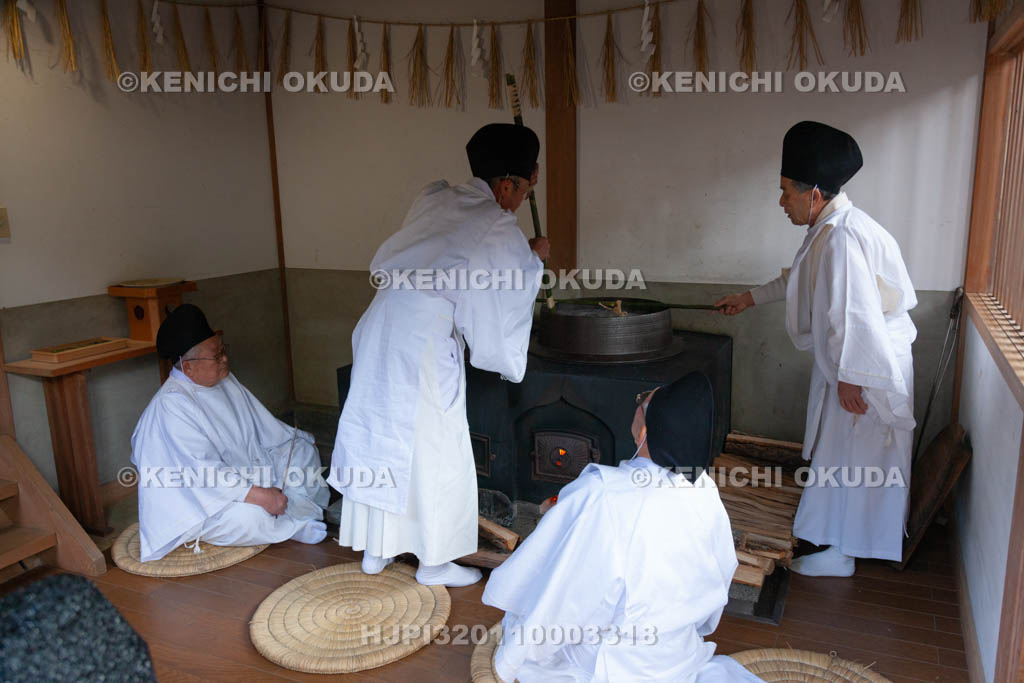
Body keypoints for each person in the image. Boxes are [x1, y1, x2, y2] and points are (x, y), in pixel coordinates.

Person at [331, 123, 549, 588]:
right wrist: (534, 260)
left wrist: (522, 254)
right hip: (423, 341)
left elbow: (451, 253)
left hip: (380, 323)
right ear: (507, 184)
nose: (520, 199)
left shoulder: (435, 198)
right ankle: (433, 563)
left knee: (380, 432)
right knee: (434, 447)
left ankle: (376, 549)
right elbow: (497, 289)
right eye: (526, 186)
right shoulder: (498, 225)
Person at [716, 121, 917, 576]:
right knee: (842, 454)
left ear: (815, 193)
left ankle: (844, 552)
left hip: (868, 367)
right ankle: (835, 542)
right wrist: (749, 298)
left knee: (857, 458)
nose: (781, 201)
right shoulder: (829, 227)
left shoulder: (843, 235)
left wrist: (852, 378)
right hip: (857, 363)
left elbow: (856, 313)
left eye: (787, 191)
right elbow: (799, 279)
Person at [482, 374, 763, 682]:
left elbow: (565, 594)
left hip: (617, 666)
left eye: (642, 402)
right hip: (678, 655)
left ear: (644, 429)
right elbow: (721, 574)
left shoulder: (604, 495)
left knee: (528, 631)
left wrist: (510, 659)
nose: (638, 403)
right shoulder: (705, 489)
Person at [130, 304, 329, 562]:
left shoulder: (224, 379)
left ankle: (288, 508)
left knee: (302, 451)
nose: (224, 359)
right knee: (251, 516)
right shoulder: (172, 406)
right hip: (199, 498)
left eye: (223, 350)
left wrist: (282, 454)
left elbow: (263, 428)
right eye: (216, 356)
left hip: (245, 472)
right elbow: (204, 475)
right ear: (187, 367)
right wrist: (259, 495)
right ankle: (289, 526)